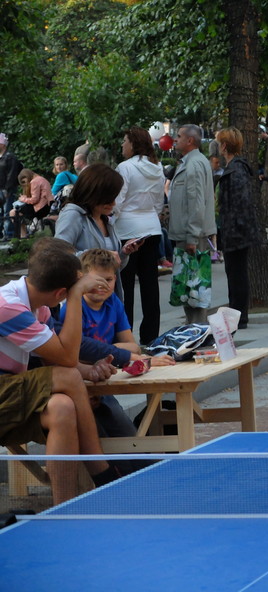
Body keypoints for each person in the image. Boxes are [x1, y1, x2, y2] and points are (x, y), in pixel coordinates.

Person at [0, 237, 123, 504]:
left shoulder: (39, 308)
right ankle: (101, 471)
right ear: (61, 295)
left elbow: (56, 360)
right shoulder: (7, 306)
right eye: (69, 292)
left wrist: (90, 371)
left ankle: (63, 508)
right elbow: (67, 361)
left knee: (62, 407)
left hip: (9, 392)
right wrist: (77, 296)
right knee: (68, 376)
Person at [58, 249, 174, 471]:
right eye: (96, 280)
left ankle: (140, 471)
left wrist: (106, 351)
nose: (103, 285)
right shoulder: (73, 308)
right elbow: (76, 351)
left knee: (121, 429)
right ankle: (129, 473)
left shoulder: (115, 304)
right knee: (111, 429)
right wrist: (117, 353)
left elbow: (132, 346)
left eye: (109, 279)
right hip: (82, 381)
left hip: (105, 378)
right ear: (81, 279)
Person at [55, 163, 140, 300]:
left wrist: (123, 253)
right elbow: (58, 256)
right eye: (108, 198)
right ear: (93, 193)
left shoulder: (105, 219)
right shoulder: (73, 215)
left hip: (107, 302)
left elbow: (111, 267)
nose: (113, 203)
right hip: (82, 303)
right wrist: (101, 257)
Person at [114, 126, 166, 345]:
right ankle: (151, 335)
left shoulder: (125, 168)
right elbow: (158, 203)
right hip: (151, 228)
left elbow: (118, 201)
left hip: (128, 230)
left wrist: (111, 220)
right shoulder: (157, 166)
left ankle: (126, 335)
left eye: (125, 141)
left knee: (125, 286)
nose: (122, 145)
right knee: (150, 284)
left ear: (133, 144)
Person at [169, 124, 217, 324]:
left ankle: (197, 331)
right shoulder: (191, 162)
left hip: (191, 237)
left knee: (194, 290)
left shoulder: (194, 164)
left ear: (190, 140)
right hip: (189, 234)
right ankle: (194, 329)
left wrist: (192, 235)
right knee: (188, 290)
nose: (175, 139)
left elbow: (196, 202)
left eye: (179, 136)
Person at [215, 127, 262, 330]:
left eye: (219, 143)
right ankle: (237, 314)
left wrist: (233, 228)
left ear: (224, 146)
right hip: (235, 230)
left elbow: (240, 203)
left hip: (236, 232)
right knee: (235, 274)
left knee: (237, 274)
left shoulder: (236, 170)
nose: (217, 147)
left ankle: (239, 316)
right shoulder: (235, 168)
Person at [13, 169, 54, 236]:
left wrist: (23, 199)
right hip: (46, 206)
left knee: (14, 212)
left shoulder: (34, 182)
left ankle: (23, 235)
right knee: (17, 212)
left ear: (26, 176)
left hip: (40, 208)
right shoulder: (42, 179)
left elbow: (34, 200)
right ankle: (28, 230)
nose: (25, 184)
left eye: (23, 181)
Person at [0, 133, 23, 241]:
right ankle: (2, 233)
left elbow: (12, 174)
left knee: (7, 210)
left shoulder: (10, 157)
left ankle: (8, 234)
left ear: (2, 144)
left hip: (7, 189)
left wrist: (7, 189)